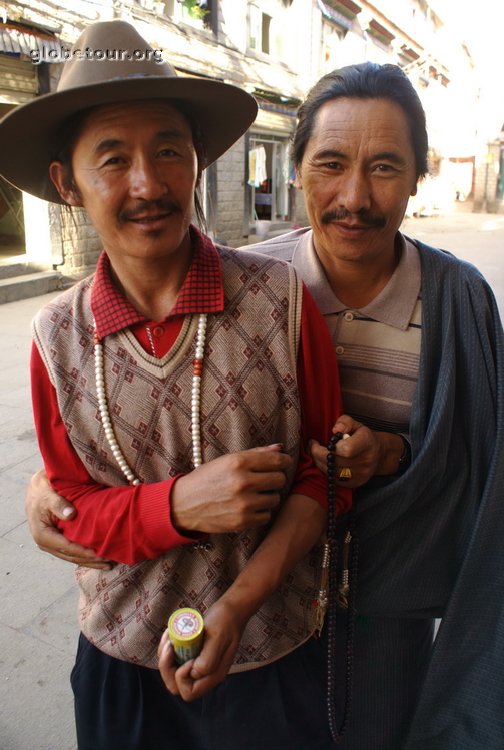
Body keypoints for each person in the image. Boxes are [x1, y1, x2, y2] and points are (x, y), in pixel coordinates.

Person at [25, 60, 504, 748]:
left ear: (419, 173)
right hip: (184, 634)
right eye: (331, 163)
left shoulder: (435, 302)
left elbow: (475, 455)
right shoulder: (261, 287)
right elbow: (85, 473)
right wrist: (60, 495)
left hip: (365, 613)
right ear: (298, 169)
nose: (355, 197)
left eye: (387, 167)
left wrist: (393, 452)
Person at [0, 21, 352, 750]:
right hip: (120, 666)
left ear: (198, 160)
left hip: (272, 655)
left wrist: (237, 606)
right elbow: (70, 513)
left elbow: (327, 479)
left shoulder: (282, 303)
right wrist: (181, 507)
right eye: (112, 158)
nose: (147, 183)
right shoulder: (55, 340)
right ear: (66, 183)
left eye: (169, 150)